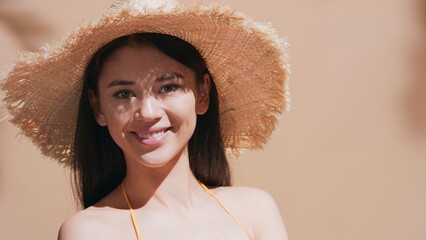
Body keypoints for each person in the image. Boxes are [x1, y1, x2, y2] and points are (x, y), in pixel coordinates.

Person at [1, 0, 290, 239]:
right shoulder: (88, 232)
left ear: (202, 95)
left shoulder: (254, 211)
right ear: (98, 108)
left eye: (168, 87)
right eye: (124, 93)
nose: (148, 112)